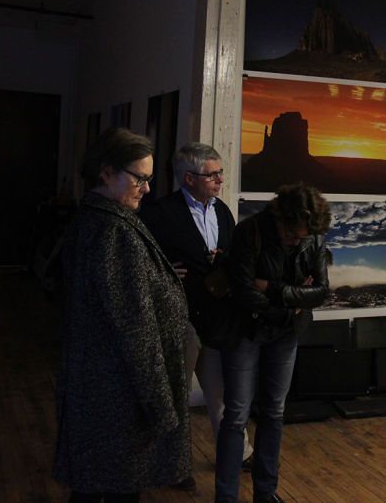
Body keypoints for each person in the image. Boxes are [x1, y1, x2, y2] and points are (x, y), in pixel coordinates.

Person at [53, 127, 190, 502]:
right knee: (116, 490)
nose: (147, 189)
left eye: (149, 179)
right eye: (140, 179)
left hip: (99, 389)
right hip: (119, 397)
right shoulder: (115, 232)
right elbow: (137, 332)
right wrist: (162, 408)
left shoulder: (92, 220)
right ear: (106, 172)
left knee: (94, 487)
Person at [139, 142, 254, 485]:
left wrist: (225, 259)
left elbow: (232, 256)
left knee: (218, 394)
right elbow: (142, 262)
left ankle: (239, 454)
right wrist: (165, 272)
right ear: (188, 178)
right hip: (178, 319)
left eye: (221, 172)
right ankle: (172, 467)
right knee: (174, 396)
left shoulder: (222, 212)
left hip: (216, 319)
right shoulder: (159, 214)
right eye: (213, 174)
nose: (220, 179)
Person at [215, 183, 331, 503]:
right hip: (246, 331)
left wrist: (273, 289)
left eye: (303, 237)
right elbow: (244, 292)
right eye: (292, 234)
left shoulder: (312, 237)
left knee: (274, 413)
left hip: (285, 334)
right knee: (236, 416)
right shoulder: (249, 232)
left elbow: (320, 292)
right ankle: (225, 497)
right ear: (280, 215)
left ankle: (265, 493)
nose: (297, 241)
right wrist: (292, 301)